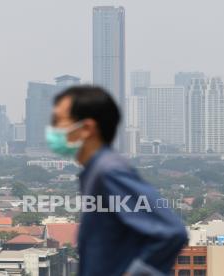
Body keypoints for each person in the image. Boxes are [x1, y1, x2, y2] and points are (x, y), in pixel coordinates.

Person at [47, 85, 188, 276]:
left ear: (87, 128)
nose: (52, 130)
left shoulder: (109, 171)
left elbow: (171, 232)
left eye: (58, 121)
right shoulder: (94, 172)